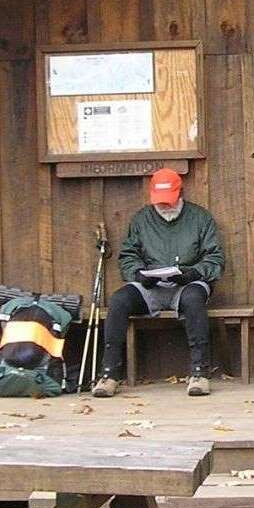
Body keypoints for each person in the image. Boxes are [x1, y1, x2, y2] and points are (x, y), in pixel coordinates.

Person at [92, 168, 224, 398]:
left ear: (180, 193)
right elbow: (128, 255)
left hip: (187, 283)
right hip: (150, 285)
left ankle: (200, 372)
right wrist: (138, 274)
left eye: (169, 201)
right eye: (159, 201)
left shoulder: (201, 218)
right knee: (119, 300)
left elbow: (215, 259)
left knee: (194, 300)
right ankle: (109, 374)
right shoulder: (141, 219)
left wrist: (193, 273)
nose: (164, 206)